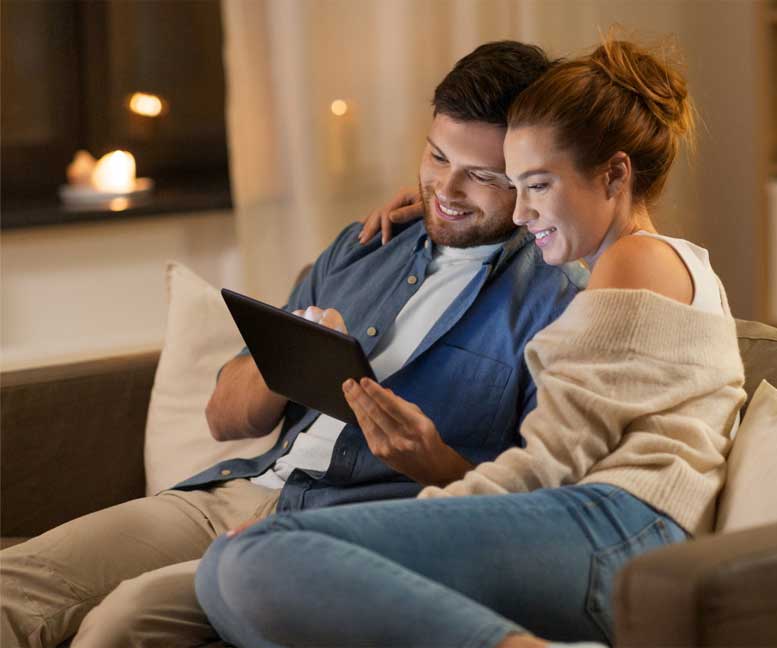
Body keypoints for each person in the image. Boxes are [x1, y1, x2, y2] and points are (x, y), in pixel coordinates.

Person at [0, 41, 585, 648]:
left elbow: (542, 510)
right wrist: (291, 357)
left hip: (351, 531)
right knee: (14, 583)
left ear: (527, 170)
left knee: (123, 619)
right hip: (238, 492)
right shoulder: (367, 246)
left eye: (482, 176)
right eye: (437, 156)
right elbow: (224, 418)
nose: (446, 188)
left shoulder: (556, 303)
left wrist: (432, 461)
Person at [195, 36, 747, 648]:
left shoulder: (632, 263)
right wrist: (438, 209)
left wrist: (405, 512)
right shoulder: (663, 264)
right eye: (511, 186)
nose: (517, 213)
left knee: (247, 563)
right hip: (603, 533)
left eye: (535, 185)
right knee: (236, 577)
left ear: (615, 174)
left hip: (614, 530)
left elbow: (549, 464)